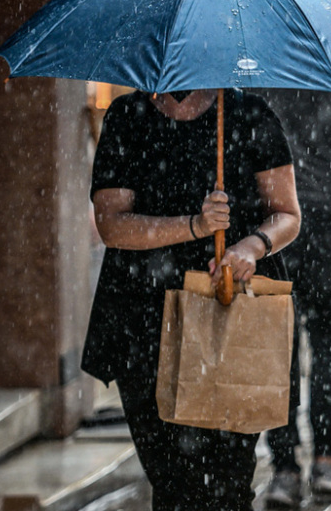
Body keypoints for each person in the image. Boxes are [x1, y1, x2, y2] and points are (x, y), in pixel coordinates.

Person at [85, 89, 301, 511]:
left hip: (232, 314)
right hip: (143, 322)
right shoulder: (128, 116)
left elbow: (287, 214)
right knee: (171, 483)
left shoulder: (248, 114)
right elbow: (112, 224)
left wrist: (251, 247)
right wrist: (195, 226)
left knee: (229, 483)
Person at [256, 84, 331, 506]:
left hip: (269, 226)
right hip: (327, 220)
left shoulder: (254, 65)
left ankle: (284, 469)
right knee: (329, 341)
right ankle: (326, 461)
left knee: (277, 347)